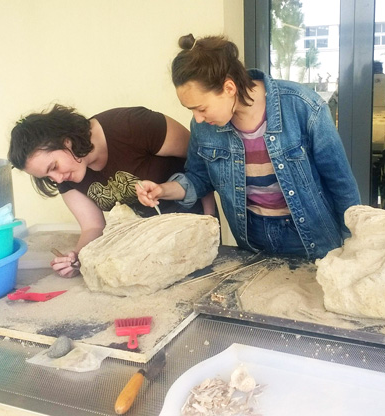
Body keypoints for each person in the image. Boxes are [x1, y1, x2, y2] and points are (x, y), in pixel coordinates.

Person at [136, 34, 361, 260]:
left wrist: (355, 242)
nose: (198, 118)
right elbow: (199, 179)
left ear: (229, 88)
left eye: (201, 108)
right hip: (251, 237)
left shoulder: (303, 106)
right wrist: (162, 190)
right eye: (191, 111)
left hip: (311, 236)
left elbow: (340, 181)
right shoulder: (203, 127)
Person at [8, 104, 216, 277]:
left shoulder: (133, 125)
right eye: (47, 177)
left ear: (66, 141)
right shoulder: (65, 176)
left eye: (53, 167)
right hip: (149, 248)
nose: (57, 178)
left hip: (194, 232)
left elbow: (203, 163)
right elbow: (93, 226)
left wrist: (210, 226)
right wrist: (77, 257)